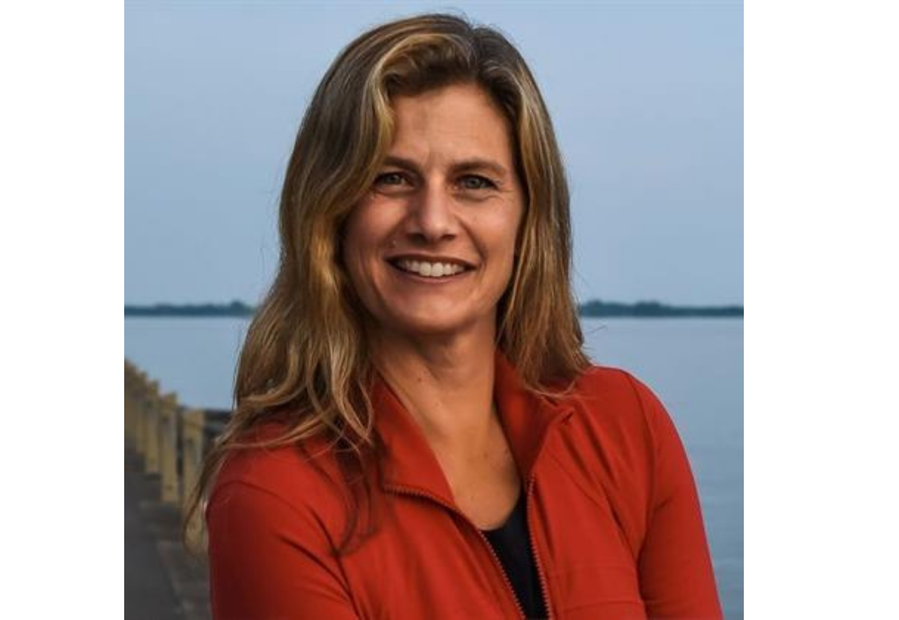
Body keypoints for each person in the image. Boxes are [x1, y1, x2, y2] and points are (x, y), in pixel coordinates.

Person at [186, 13, 723, 620]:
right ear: (330, 215)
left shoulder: (626, 428)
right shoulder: (277, 494)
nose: (433, 221)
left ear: (527, 218)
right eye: (391, 178)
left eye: (474, 181)